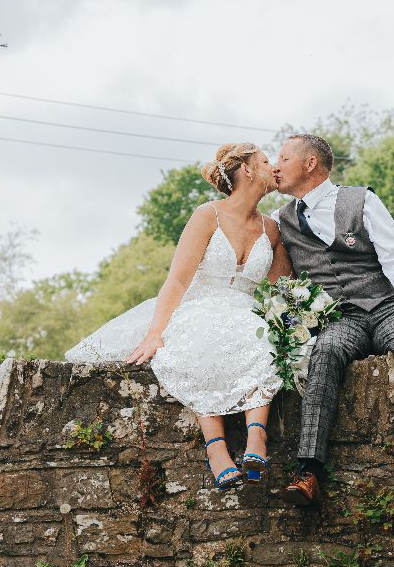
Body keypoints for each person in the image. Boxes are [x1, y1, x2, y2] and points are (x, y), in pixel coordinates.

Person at [64, 143, 293, 490]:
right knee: (197, 341)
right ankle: (216, 449)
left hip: (245, 309)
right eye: (265, 161)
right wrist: (156, 331)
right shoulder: (208, 215)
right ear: (246, 170)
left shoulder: (271, 230)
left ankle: (256, 440)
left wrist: (294, 319)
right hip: (198, 304)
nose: (273, 167)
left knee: (264, 339)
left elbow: (281, 291)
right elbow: (179, 279)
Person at [270, 133, 394, 506]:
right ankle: (308, 472)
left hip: (386, 307)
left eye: (283, 159)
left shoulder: (361, 200)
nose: (275, 166)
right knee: (326, 351)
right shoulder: (280, 221)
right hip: (339, 318)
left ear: (310, 163)